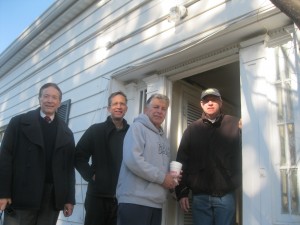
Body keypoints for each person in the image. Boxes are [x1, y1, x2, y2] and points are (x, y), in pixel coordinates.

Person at [0, 83, 76, 225]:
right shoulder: (18, 123)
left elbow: (69, 169)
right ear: (39, 99)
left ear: (59, 102)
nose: (50, 100)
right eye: (46, 96)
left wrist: (69, 199)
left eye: (54, 97)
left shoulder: (67, 133)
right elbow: (5, 159)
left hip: (51, 197)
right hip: (21, 193)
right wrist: (3, 193)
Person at [175, 88, 242, 225]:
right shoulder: (192, 129)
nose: (210, 103)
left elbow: (248, 153)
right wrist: (182, 193)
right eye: (206, 100)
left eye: (214, 100)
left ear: (220, 103)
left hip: (226, 196)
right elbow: (182, 161)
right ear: (201, 104)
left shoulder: (235, 125)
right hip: (200, 198)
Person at [116, 93, 178, 225]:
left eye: (163, 109)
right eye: (156, 107)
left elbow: (161, 169)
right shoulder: (137, 128)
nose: (160, 111)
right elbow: (133, 160)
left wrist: (171, 179)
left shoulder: (164, 139)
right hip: (134, 201)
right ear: (146, 110)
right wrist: (162, 178)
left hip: (156, 203)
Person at [75, 91, 129, 225]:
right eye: (115, 103)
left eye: (122, 104)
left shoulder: (132, 133)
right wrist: (91, 174)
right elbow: (78, 156)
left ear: (126, 108)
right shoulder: (95, 130)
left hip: (123, 197)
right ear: (109, 108)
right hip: (97, 197)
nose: (119, 106)